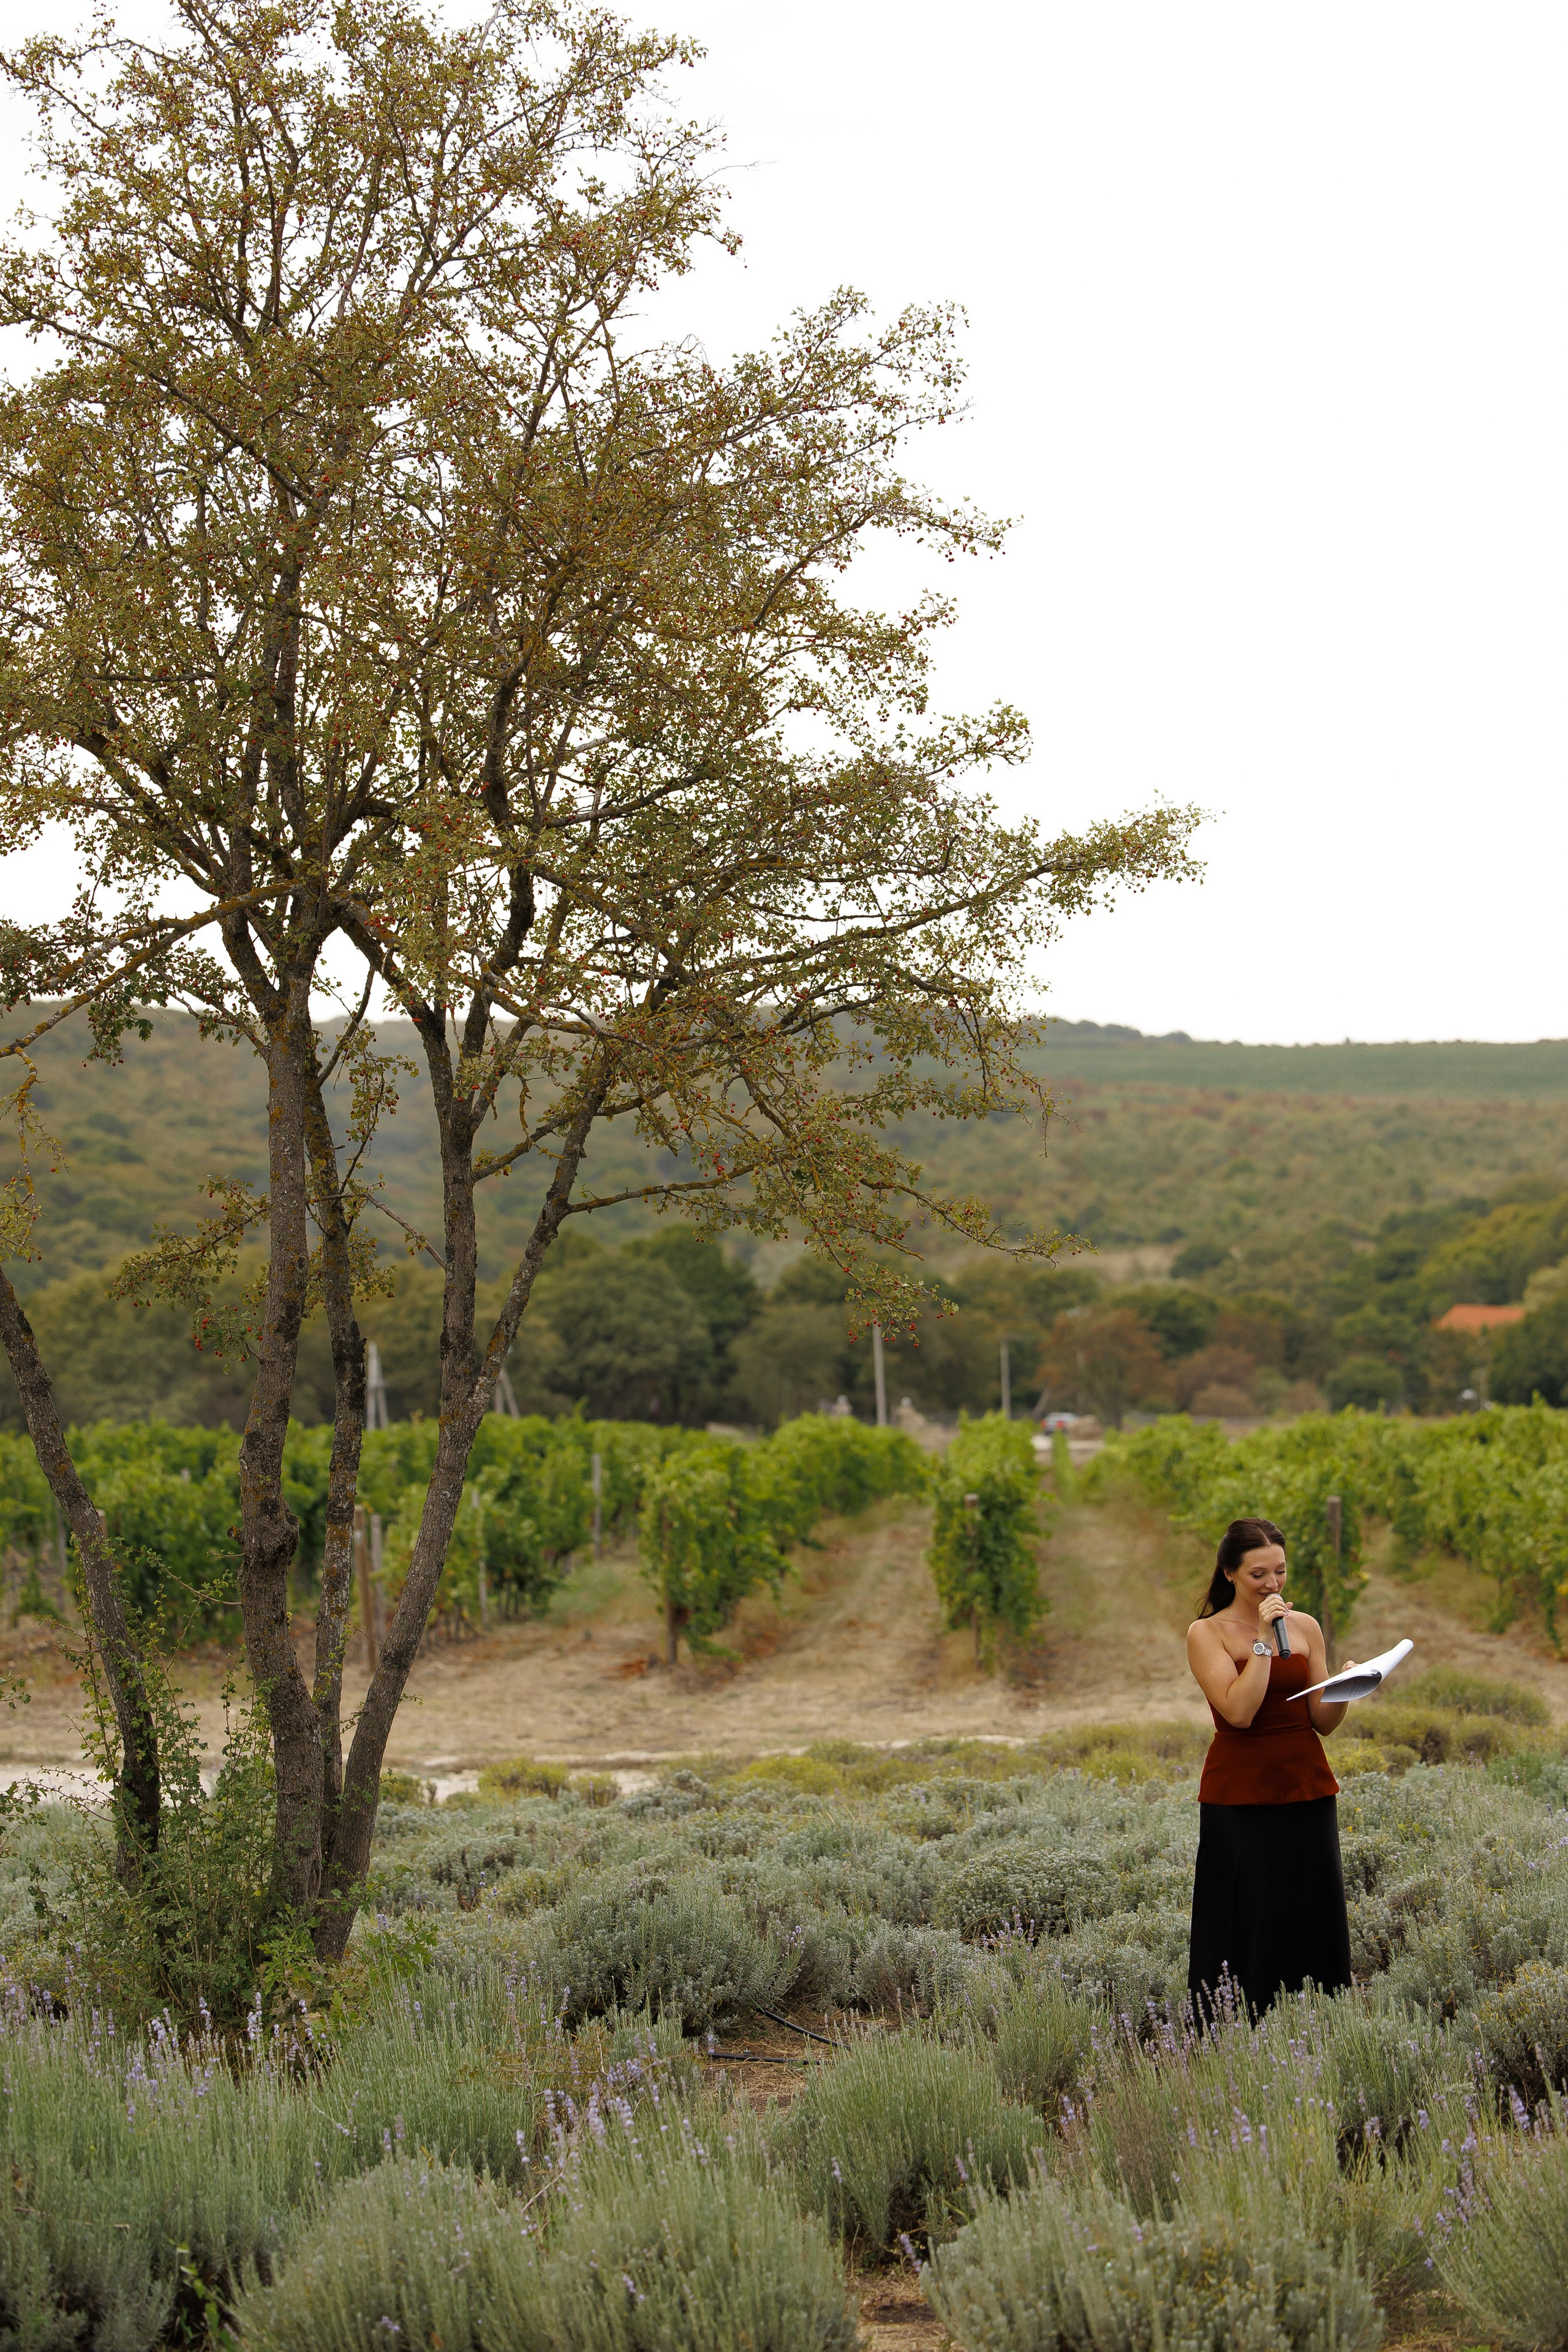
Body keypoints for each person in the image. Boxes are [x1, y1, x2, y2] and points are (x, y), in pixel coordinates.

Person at [1185, 1516, 1355, 2022]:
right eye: (1258, 1574)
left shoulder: (1305, 1627)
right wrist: (1262, 1640)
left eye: (1279, 1571)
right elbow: (1239, 1713)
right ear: (1230, 1573)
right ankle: (1235, 2022)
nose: (1273, 1584)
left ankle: (1317, 2020)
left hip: (1306, 1784)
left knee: (1310, 1907)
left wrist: (1347, 1690)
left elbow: (1322, 1721)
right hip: (1240, 1793)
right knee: (1248, 1912)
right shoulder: (1206, 1633)